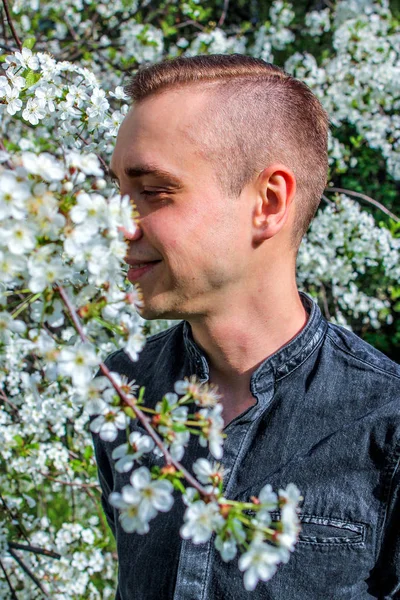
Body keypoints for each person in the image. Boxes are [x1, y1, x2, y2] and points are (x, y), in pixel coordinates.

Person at [91, 54, 400, 599]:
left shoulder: (386, 423)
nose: (116, 224)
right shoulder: (123, 391)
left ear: (268, 202)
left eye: (154, 191)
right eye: (117, 189)